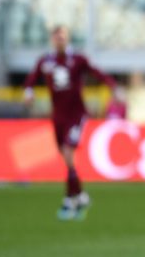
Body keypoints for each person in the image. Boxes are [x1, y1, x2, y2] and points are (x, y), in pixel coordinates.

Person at [23, 25, 117, 220]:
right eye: (57, 37)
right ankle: (81, 196)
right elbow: (32, 79)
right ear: (52, 39)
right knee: (65, 156)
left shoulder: (78, 59)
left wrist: (113, 86)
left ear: (68, 39)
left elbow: (96, 72)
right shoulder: (45, 61)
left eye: (63, 37)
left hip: (76, 115)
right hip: (58, 116)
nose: (60, 40)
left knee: (68, 152)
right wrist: (28, 92)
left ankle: (69, 200)